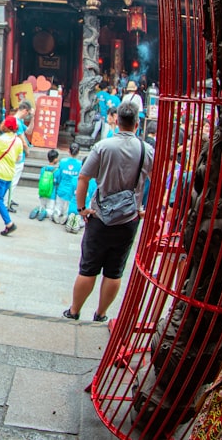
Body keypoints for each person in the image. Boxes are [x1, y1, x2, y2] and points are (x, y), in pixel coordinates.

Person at [64, 101, 154, 322]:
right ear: (137, 123)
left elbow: (83, 177)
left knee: (88, 267)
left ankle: (74, 311)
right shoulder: (147, 150)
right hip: (129, 218)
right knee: (115, 270)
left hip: (100, 217)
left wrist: (82, 208)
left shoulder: (103, 146)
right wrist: (146, 209)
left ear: (117, 120)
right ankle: (101, 313)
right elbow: (159, 181)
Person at [6, 101, 33, 212]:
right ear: (25, 110)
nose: (28, 115)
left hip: (15, 154)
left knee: (13, 179)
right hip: (17, 155)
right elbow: (23, 140)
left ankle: (9, 198)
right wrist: (27, 150)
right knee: (13, 179)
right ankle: (7, 202)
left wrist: (33, 118)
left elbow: (29, 131)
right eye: (28, 113)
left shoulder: (18, 121)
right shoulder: (16, 122)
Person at [32, 149, 58, 221]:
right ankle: (45, 212)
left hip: (42, 192)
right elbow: (57, 182)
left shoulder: (43, 169)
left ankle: (39, 209)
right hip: (51, 193)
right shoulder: (56, 170)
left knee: (42, 205)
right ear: (55, 159)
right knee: (50, 210)